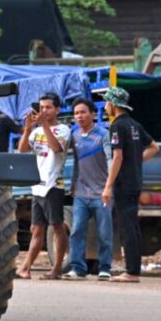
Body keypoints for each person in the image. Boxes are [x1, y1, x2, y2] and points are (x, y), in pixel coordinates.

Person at [102, 87, 160, 283]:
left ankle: (132, 272)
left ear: (114, 105)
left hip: (123, 183)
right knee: (132, 227)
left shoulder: (116, 126)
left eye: (107, 102)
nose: (105, 106)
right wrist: (135, 160)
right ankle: (133, 269)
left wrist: (108, 186)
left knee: (127, 229)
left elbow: (117, 156)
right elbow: (154, 147)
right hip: (135, 181)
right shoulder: (135, 125)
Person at [16, 92, 71, 280]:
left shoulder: (63, 129)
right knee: (37, 229)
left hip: (53, 185)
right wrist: (27, 129)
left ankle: (56, 268)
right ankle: (25, 268)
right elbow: (22, 150)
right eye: (41, 108)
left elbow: (56, 149)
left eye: (48, 107)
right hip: (37, 186)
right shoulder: (36, 131)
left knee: (57, 227)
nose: (44, 111)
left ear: (57, 109)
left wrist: (44, 124)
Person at [63, 98, 114, 281]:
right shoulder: (73, 135)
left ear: (93, 114)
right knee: (77, 230)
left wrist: (108, 187)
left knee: (104, 232)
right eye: (76, 113)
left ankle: (105, 267)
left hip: (102, 193)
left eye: (83, 112)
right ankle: (77, 268)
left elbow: (111, 160)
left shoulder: (103, 134)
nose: (80, 116)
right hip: (81, 194)